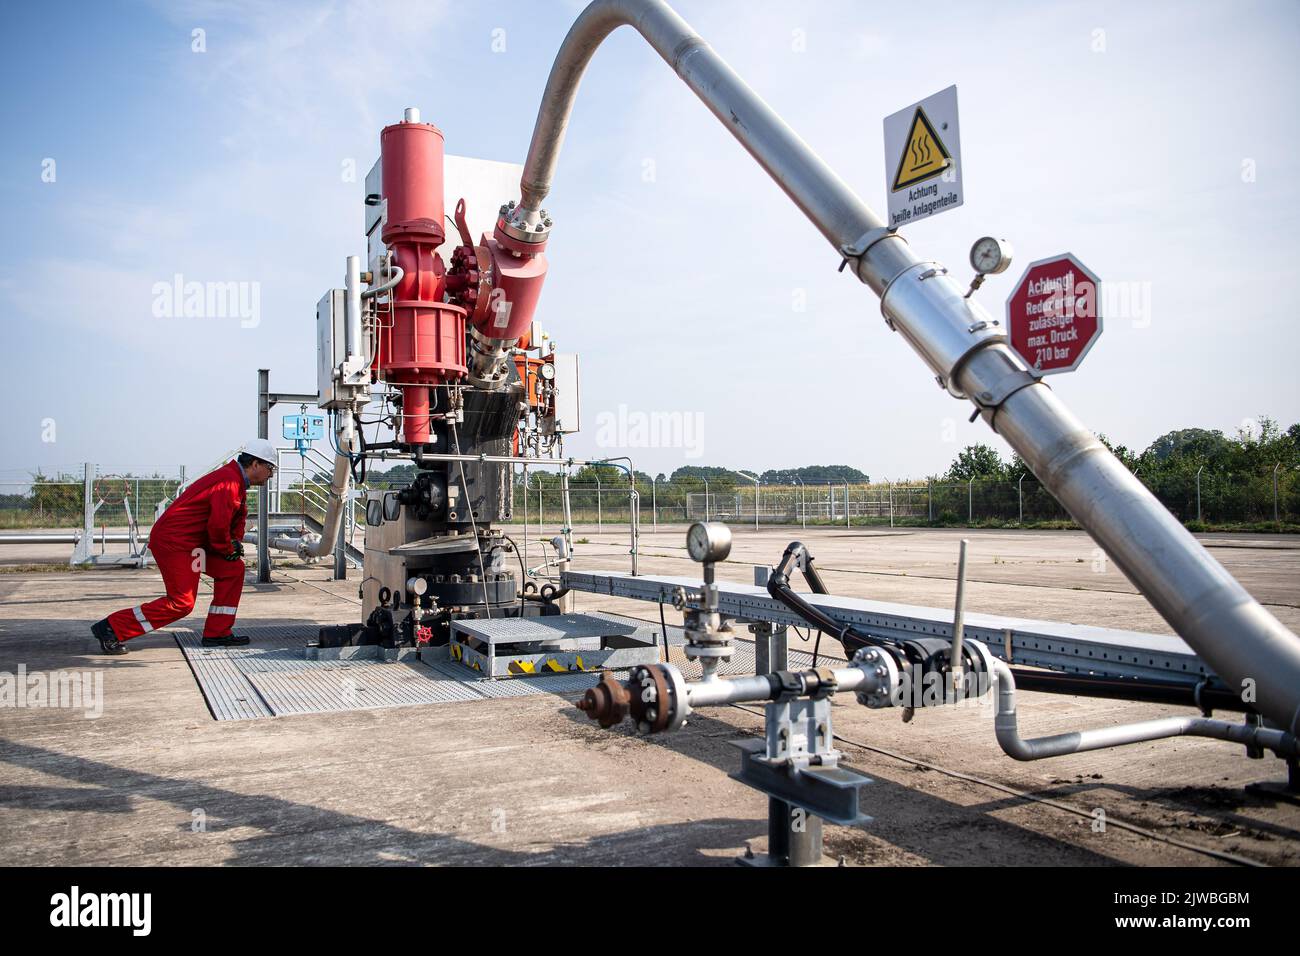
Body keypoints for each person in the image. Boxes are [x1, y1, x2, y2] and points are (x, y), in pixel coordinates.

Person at [90, 440, 276, 654]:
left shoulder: (234, 481)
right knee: (182, 603)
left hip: (193, 544)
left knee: (232, 570)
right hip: (176, 543)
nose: (270, 475)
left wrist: (232, 544)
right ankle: (112, 628)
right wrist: (227, 548)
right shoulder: (228, 482)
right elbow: (217, 526)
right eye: (269, 468)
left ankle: (218, 632)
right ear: (255, 464)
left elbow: (231, 520)